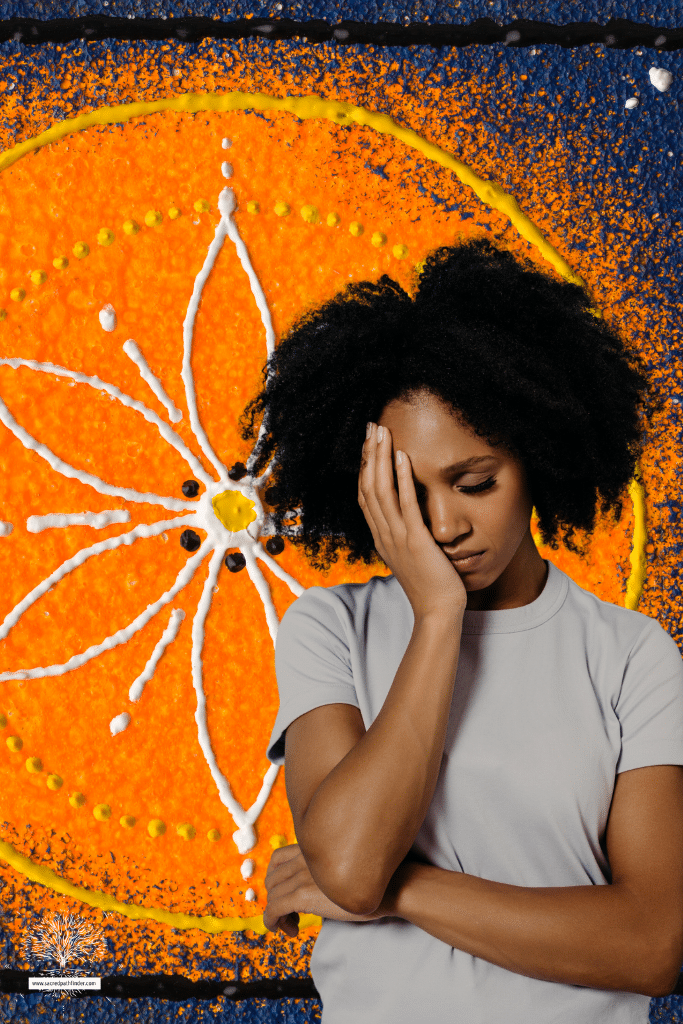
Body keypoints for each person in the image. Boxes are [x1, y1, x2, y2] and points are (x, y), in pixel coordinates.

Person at [241, 238, 683, 1022]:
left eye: (475, 483)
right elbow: (346, 868)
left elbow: (651, 947)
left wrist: (402, 890)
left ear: (538, 455)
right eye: (407, 494)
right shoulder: (329, 630)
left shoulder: (630, 657)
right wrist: (437, 615)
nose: (443, 524)